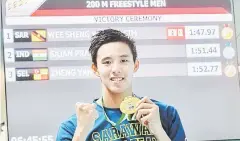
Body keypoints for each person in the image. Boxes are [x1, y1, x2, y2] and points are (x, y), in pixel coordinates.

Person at [56, 29, 186, 141]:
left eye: (123, 60)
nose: (116, 69)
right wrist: (81, 133)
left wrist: (159, 131)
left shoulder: (165, 114)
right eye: (107, 62)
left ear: (135, 65)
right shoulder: (73, 126)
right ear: (95, 69)